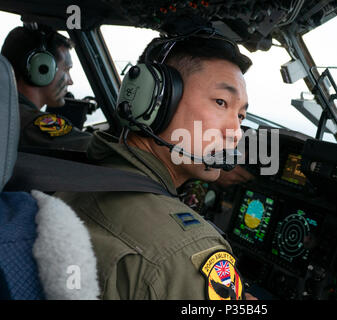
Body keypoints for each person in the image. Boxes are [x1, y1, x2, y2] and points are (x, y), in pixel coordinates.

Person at [56, 25, 256, 300]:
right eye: (221, 102)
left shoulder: (77, 175)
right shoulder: (186, 251)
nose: (235, 132)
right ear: (153, 102)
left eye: (241, 116)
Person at [1, 25, 92, 152]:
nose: (70, 81)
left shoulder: (8, 111)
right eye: (66, 69)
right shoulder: (27, 123)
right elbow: (97, 151)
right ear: (41, 69)